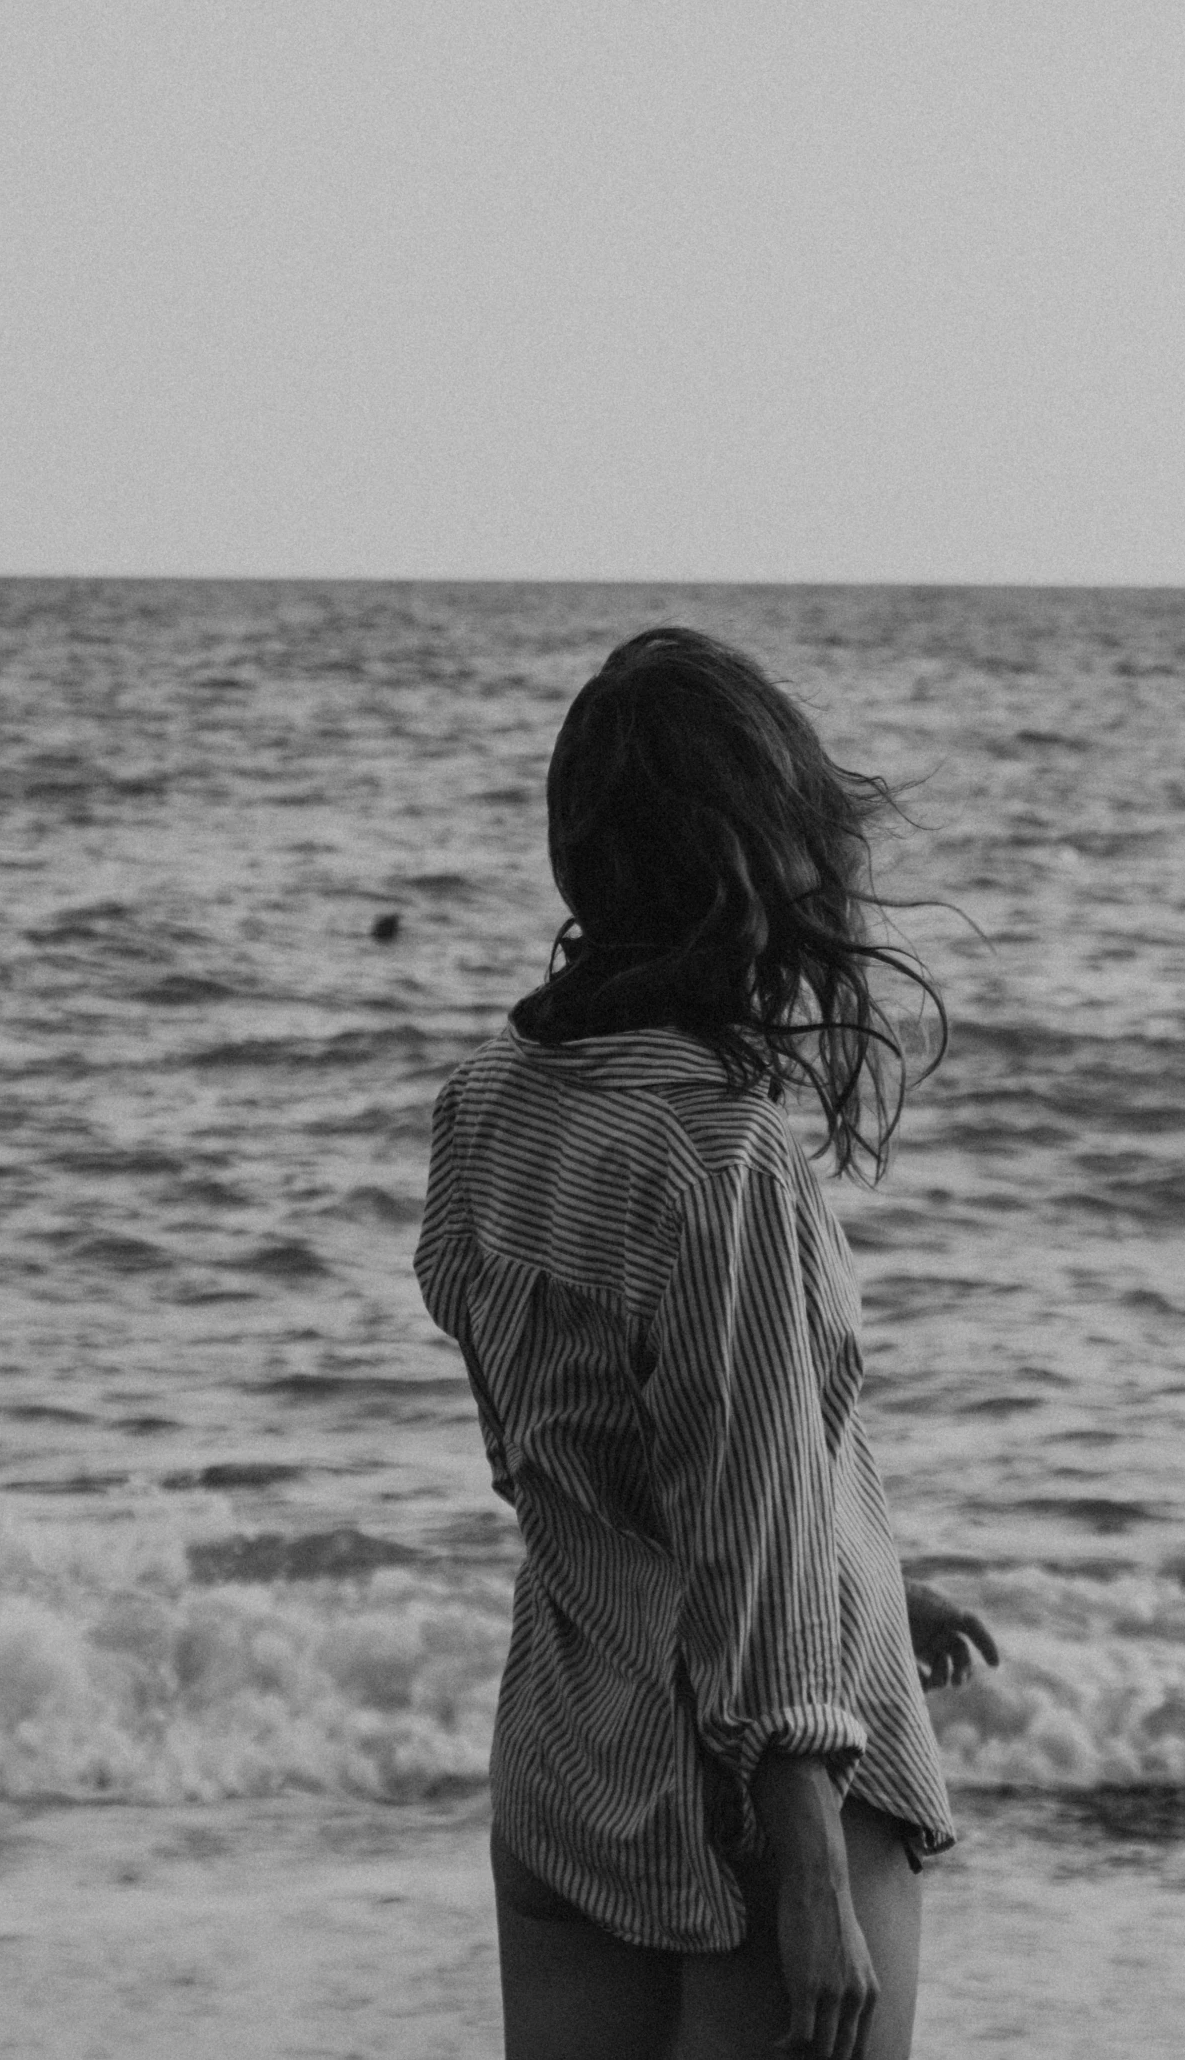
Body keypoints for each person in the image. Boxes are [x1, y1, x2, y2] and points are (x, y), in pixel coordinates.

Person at [415, 627, 997, 2060]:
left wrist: (861, 1577)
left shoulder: (485, 1101)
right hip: (758, 1800)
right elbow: (737, 1499)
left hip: (567, 1747)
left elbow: (556, 1457)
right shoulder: (716, 1154)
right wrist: (808, 1862)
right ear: (747, 863)